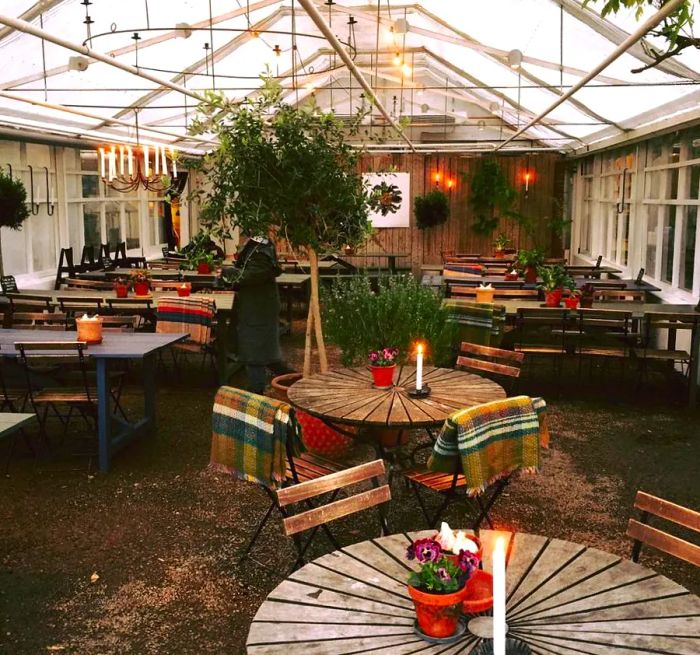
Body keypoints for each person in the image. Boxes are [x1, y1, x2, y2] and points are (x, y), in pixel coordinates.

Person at [230, 235, 293, 394]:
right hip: (257, 307)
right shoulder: (256, 246)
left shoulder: (261, 249)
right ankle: (298, 382)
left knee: (255, 357)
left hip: (258, 310)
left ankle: (255, 397)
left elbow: (254, 274)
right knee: (267, 356)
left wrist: (228, 274)